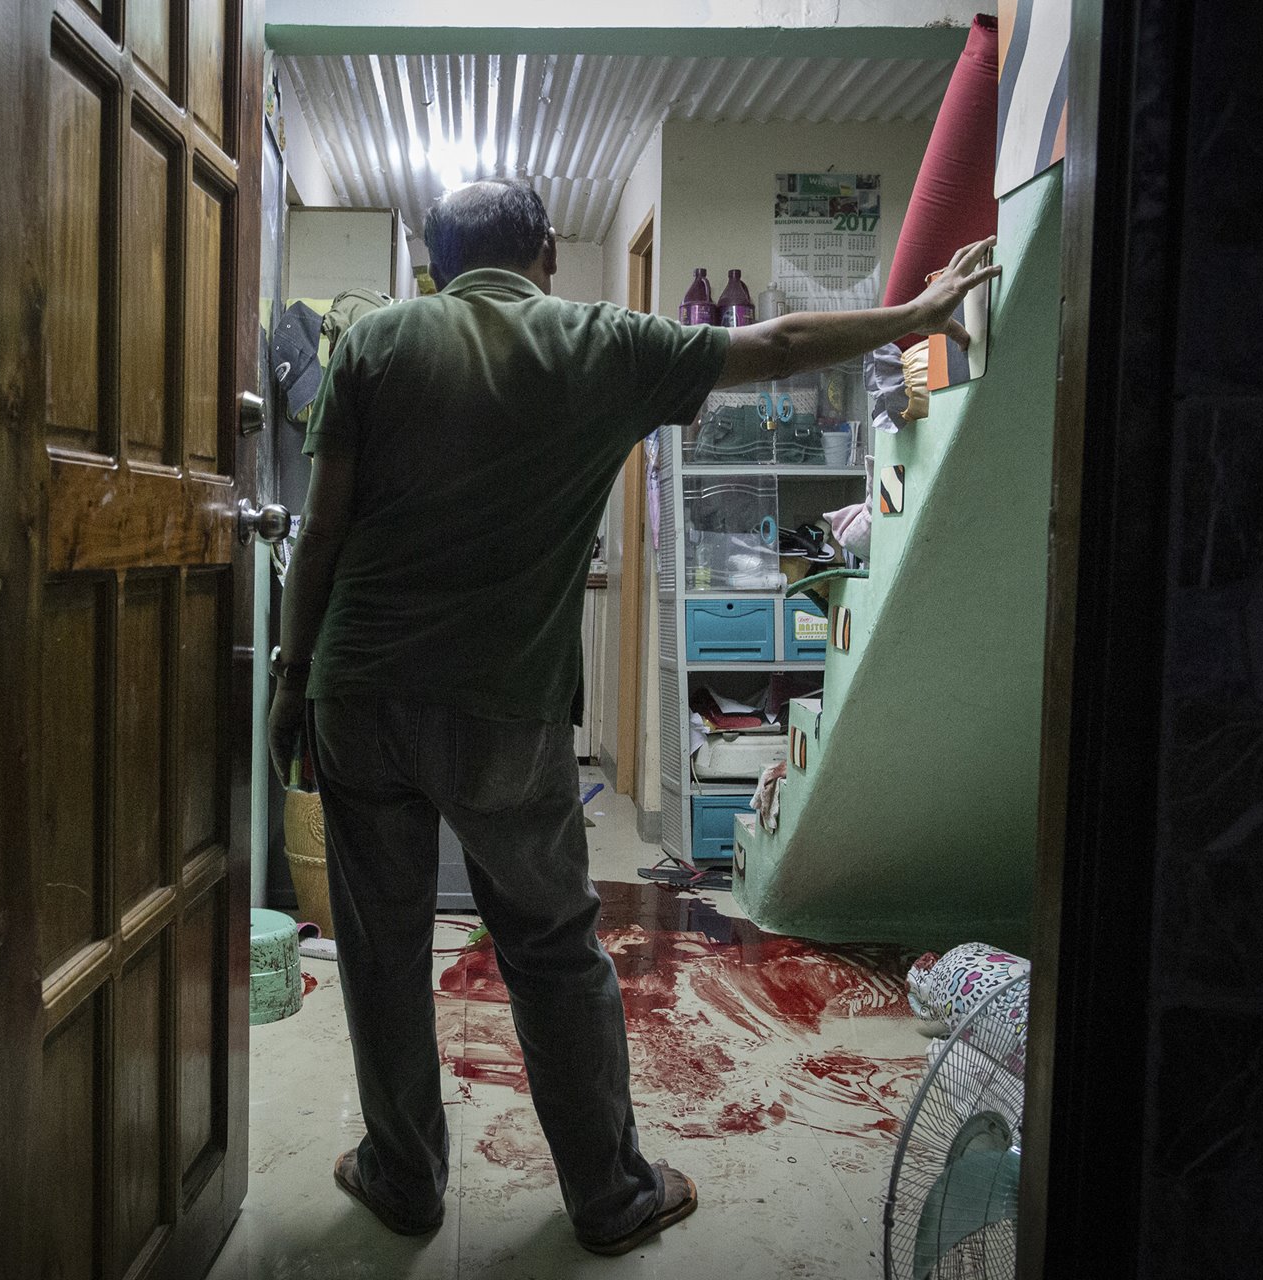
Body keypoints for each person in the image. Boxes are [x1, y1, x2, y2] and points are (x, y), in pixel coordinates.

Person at [268, 179, 998, 1255]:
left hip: (358, 688)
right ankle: (610, 1194)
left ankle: (402, 1173)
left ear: (434, 262)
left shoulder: (376, 343)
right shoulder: (600, 342)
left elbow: (321, 531)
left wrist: (291, 679)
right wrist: (916, 313)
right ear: (548, 255)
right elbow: (786, 339)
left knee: (380, 947)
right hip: (503, 706)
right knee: (553, 945)